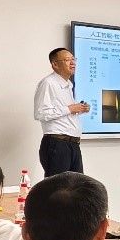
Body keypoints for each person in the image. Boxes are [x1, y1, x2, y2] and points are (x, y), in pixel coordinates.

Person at [34, 47, 89, 177]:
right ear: (55, 64)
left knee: (76, 186)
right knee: (57, 187)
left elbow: (63, 112)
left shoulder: (68, 85)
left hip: (73, 144)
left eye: (73, 59)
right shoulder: (48, 83)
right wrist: (70, 108)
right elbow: (40, 113)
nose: (73, 63)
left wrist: (79, 109)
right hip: (57, 143)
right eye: (67, 60)